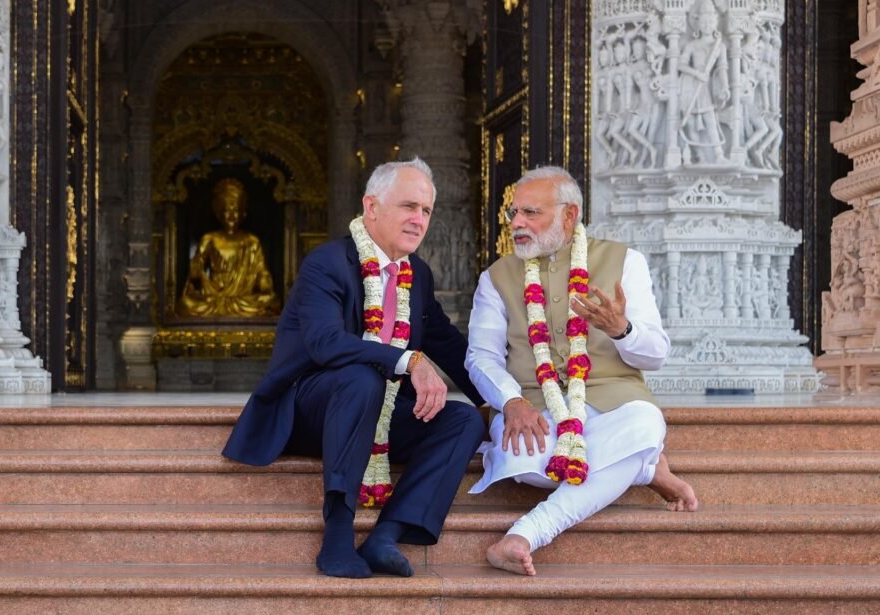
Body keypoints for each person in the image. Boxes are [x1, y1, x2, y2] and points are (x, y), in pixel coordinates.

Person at [224, 158, 485, 579]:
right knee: (362, 378)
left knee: (461, 419)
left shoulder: (416, 274)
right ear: (372, 207)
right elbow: (326, 344)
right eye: (408, 206)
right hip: (311, 409)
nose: (419, 219)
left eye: (426, 211)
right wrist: (408, 361)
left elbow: (450, 347)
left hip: (379, 414)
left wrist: (508, 402)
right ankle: (338, 536)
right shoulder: (327, 263)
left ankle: (387, 535)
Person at [466, 166, 697, 577]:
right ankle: (644, 467)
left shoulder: (624, 261)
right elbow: (481, 357)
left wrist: (620, 330)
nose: (517, 223)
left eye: (530, 213)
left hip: (614, 402)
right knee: (529, 463)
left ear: (568, 216)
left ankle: (525, 534)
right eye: (513, 213)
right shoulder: (496, 277)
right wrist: (512, 402)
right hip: (534, 408)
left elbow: (656, 354)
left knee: (645, 424)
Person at [178, 178, 280, 318]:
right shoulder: (209, 239)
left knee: (271, 302)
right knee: (185, 304)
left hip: (243, 299)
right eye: (227, 210)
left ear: (243, 213)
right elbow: (196, 271)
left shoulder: (251, 241)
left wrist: (264, 282)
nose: (232, 215)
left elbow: (261, 270)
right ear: (219, 213)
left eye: (236, 210)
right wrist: (196, 269)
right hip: (213, 297)